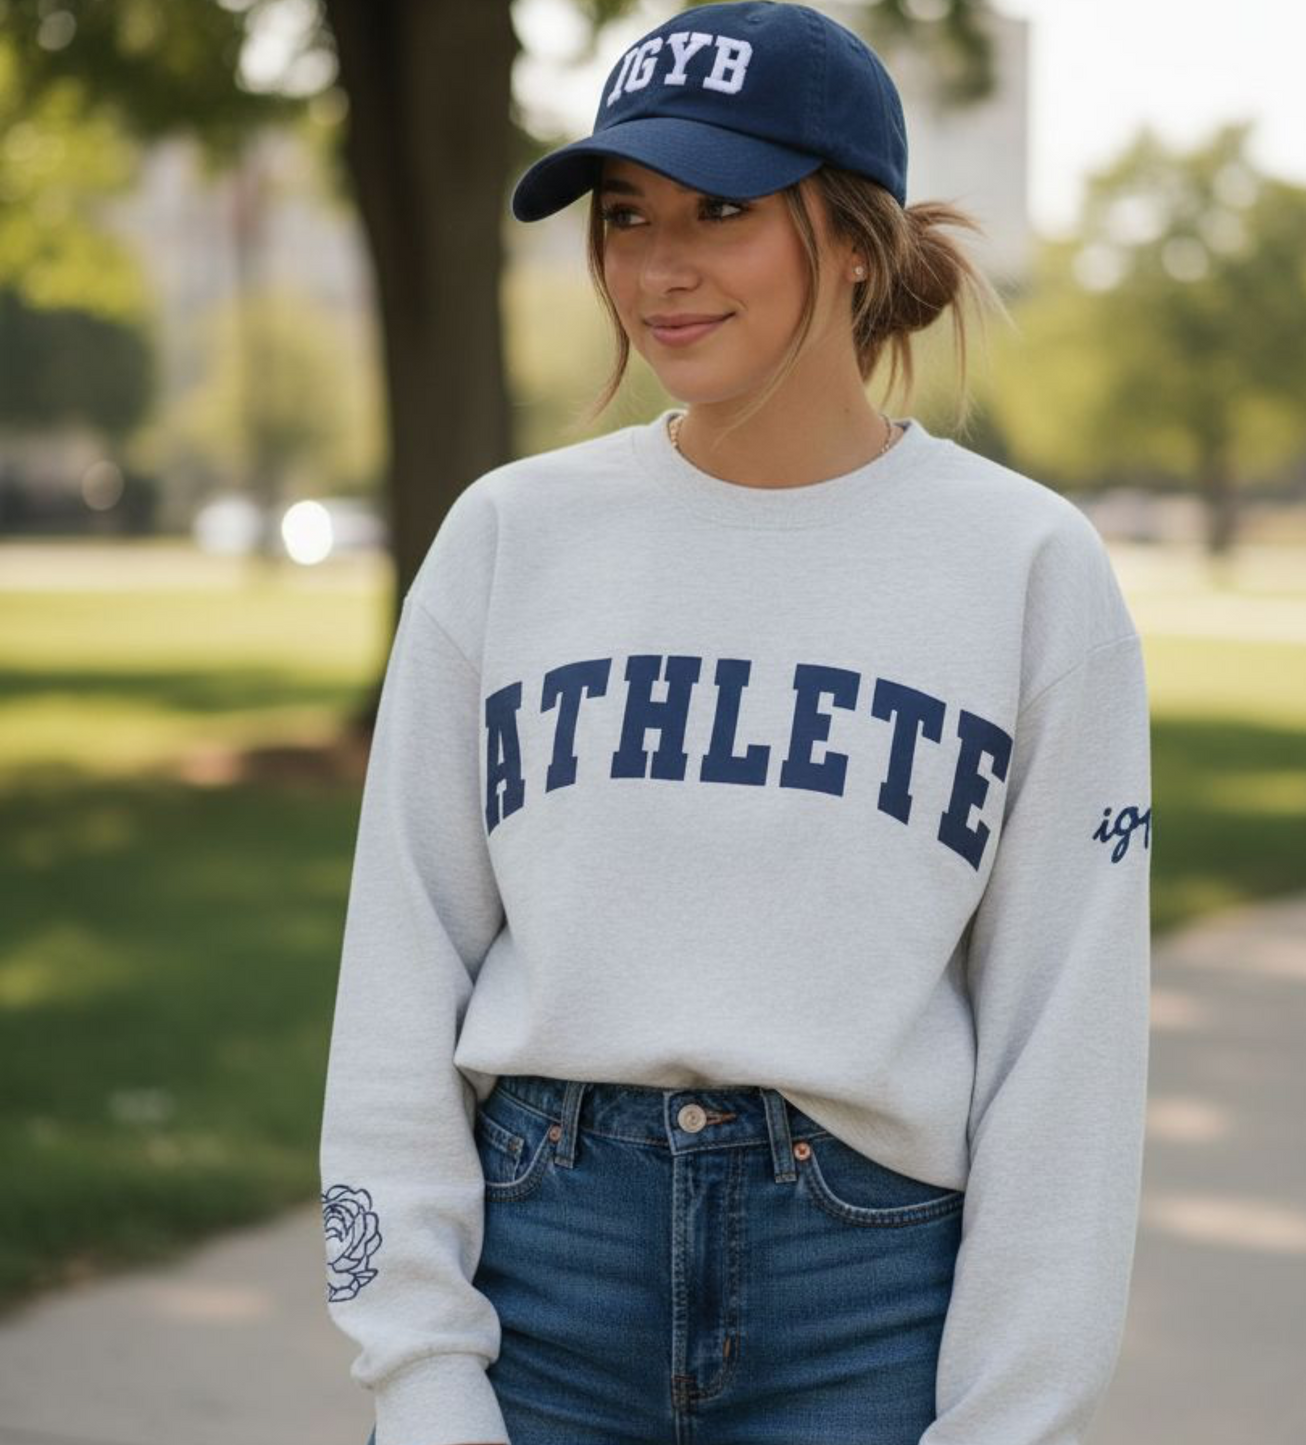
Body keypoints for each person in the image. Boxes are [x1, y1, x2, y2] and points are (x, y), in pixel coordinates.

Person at [319, 3, 1154, 1444]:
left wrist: (1013, 1412)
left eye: (720, 209)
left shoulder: (1025, 567)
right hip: (545, 1277)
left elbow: (1062, 1042)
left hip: (865, 1295)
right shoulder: (511, 537)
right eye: (626, 215)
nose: (657, 268)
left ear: (852, 238)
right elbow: (401, 973)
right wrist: (418, 1371)